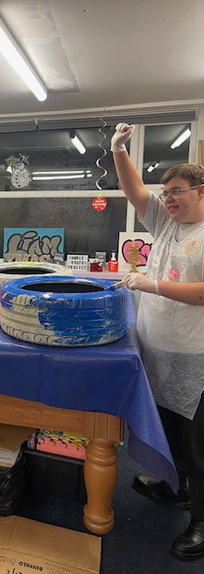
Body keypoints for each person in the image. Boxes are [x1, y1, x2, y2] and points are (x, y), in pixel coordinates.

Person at [111, 123, 204, 561]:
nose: (168, 198)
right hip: (158, 349)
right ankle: (178, 488)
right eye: (165, 192)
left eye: (177, 191)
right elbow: (134, 190)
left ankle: (201, 524)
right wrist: (117, 148)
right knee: (169, 430)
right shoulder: (167, 223)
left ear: (201, 191)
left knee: (198, 445)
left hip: (195, 360)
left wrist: (150, 286)